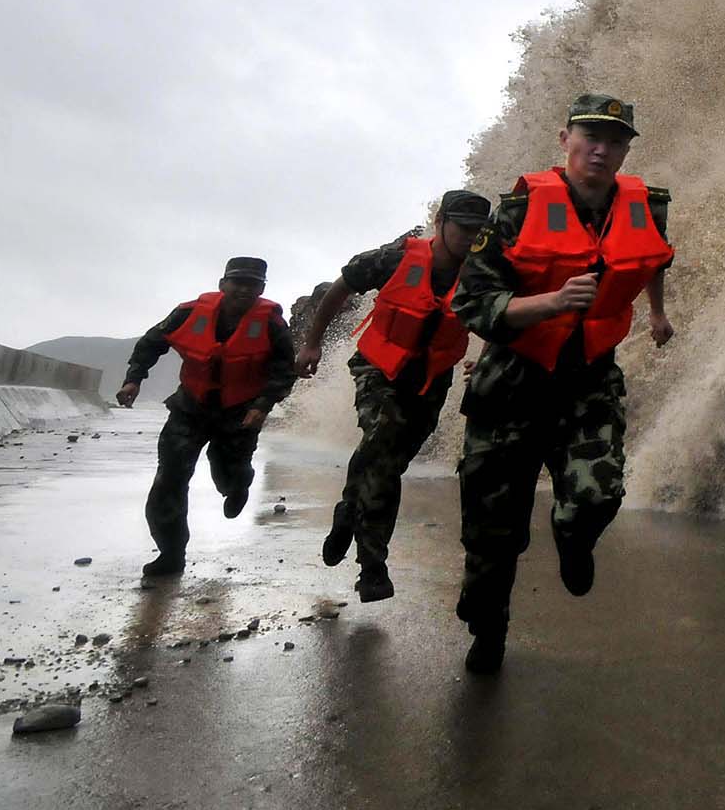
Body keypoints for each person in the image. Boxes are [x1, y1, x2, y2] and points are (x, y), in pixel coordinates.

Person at [451, 93, 674, 675]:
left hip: (589, 378)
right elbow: (471, 302)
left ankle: (574, 538)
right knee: (492, 535)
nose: (601, 149)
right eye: (589, 136)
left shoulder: (647, 205)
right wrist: (549, 302)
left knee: (598, 495)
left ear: (626, 149)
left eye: (615, 140)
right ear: (565, 139)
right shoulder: (519, 211)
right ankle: (489, 627)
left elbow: (649, 264)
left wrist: (657, 312)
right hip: (512, 381)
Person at [295, 191, 494, 602]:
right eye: (462, 228)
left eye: (478, 231)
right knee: (384, 441)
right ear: (440, 221)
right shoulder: (395, 257)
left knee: (390, 458)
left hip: (429, 381)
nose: (470, 237)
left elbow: (498, 315)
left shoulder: (482, 271)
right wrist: (312, 343)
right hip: (376, 367)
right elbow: (341, 287)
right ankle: (373, 567)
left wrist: (485, 359)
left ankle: (349, 509)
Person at [116, 257, 295, 578]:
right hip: (190, 408)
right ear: (222, 284)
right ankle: (171, 553)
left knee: (226, 472)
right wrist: (134, 379)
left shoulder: (272, 323)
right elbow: (151, 343)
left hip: (241, 413)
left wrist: (263, 405)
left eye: (253, 285)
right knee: (169, 479)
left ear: (261, 290)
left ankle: (238, 485)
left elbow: (284, 369)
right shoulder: (188, 312)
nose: (244, 290)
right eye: (238, 282)